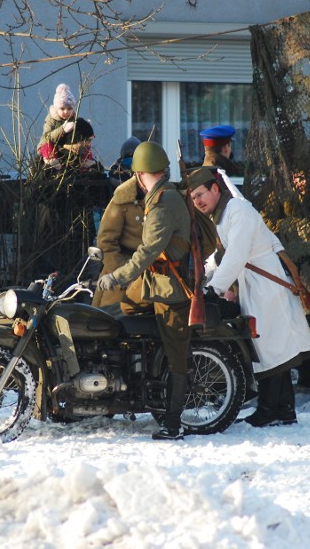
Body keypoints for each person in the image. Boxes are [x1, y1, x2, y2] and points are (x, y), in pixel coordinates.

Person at [187, 167, 310, 427]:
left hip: (267, 288)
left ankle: (272, 411)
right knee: (271, 350)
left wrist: (215, 288)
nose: (198, 201)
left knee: (273, 351)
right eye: (193, 198)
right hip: (256, 287)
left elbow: (237, 255)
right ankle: (282, 410)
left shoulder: (238, 211)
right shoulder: (223, 216)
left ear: (215, 189)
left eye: (200, 194)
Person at [97, 142, 192, 440]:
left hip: (171, 290)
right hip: (155, 283)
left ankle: (173, 423)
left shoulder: (163, 204)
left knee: (177, 354)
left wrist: (116, 277)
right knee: (117, 316)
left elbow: (147, 251)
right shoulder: (160, 196)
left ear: (139, 174)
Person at [92, 171, 145, 308]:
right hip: (122, 274)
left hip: (158, 274)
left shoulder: (167, 197)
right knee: (111, 322)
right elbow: (105, 241)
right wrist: (124, 274)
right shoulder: (122, 199)